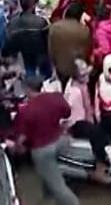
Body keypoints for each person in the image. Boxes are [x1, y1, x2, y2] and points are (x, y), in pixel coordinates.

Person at [14, 75, 79, 205]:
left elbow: (22, 139)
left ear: (27, 89)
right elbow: (67, 112)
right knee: (49, 172)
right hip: (61, 140)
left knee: (57, 184)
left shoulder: (26, 110)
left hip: (42, 149)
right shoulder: (56, 97)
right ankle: (49, 197)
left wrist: (17, 148)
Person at [5, 0, 50, 77]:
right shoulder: (41, 22)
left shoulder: (13, 22)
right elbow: (47, 41)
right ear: (33, 6)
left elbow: (9, 43)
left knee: (30, 74)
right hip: (41, 56)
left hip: (24, 57)